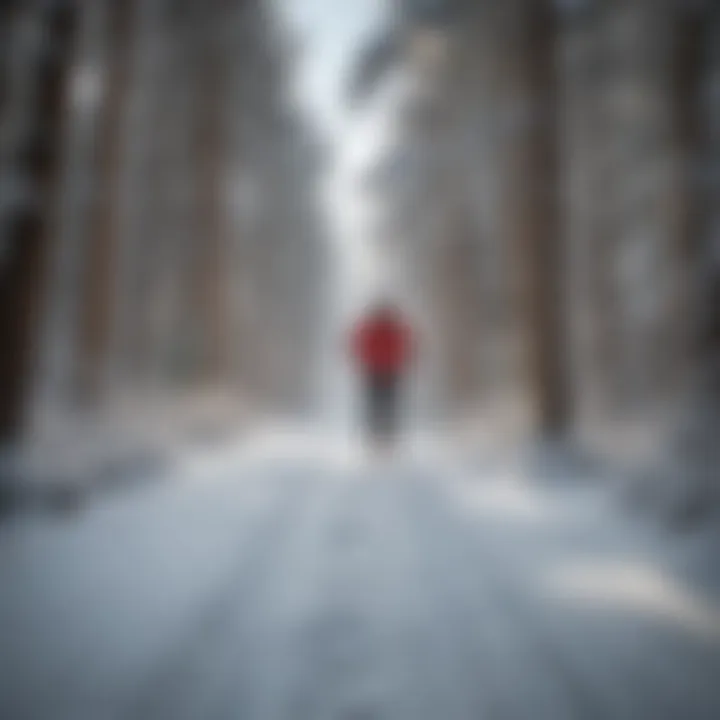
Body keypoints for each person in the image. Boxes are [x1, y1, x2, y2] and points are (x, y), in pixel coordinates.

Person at [349, 300, 415, 449]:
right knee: (384, 403)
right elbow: (405, 345)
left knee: (380, 403)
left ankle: (382, 435)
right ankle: (382, 435)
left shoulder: (376, 328)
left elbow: (359, 345)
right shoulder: (392, 328)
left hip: (382, 369)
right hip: (383, 370)